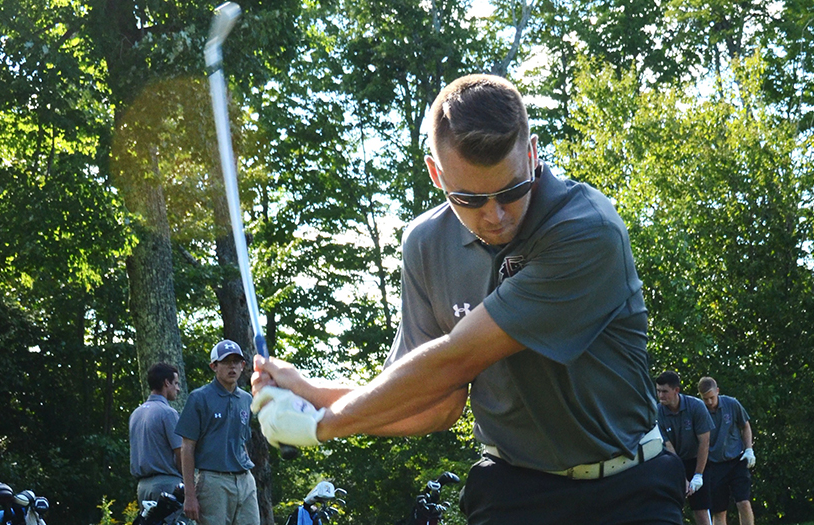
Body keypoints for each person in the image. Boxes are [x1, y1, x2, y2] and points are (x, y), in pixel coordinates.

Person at [252, 73, 685, 525]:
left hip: (628, 488)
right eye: (470, 198)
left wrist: (322, 424)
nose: (495, 216)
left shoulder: (587, 229)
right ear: (435, 173)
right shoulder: (425, 244)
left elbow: (456, 359)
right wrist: (312, 395)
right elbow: (434, 401)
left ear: (532, 153)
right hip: (511, 490)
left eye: (513, 190)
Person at [175, 340, 260, 525]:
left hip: (245, 480)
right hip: (213, 481)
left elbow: (242, 440)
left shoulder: (246, 399)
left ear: (243, 365)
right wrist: (190, 495)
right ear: (214, 366)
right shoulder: (199, 398)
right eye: (226, 361)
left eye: (237, 361)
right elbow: (187, 447)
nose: (232, 366)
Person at [656, 371, 714, 525]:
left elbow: (704, 442)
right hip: (672, 462)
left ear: (676, 390)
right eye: (658, 391)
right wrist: (682, 478)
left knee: (701, 509)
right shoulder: (657, 412)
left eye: (665, 391)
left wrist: (698, 475)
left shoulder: (696, 406)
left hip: (697, 461)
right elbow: (668, 447)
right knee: (669, 508)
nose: (661, 395)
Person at [698, 376, 756, 525]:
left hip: (737, 460)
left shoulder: (732, 404)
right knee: (719, 510)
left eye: (711, 397)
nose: (709, 402)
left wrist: (749, 449)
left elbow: (745, 426)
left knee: (743, 502)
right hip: (714, 464)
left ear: (717, 391)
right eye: (705, 399)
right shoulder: (699, 410)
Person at [130, 362, 183, 508]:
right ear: (166, 383)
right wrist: (189, 483)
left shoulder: (136, 414)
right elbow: (180, 453)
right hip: (166, 485)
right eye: (176, 383)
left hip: (142, 488)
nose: (177, 389)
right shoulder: (168, 413)